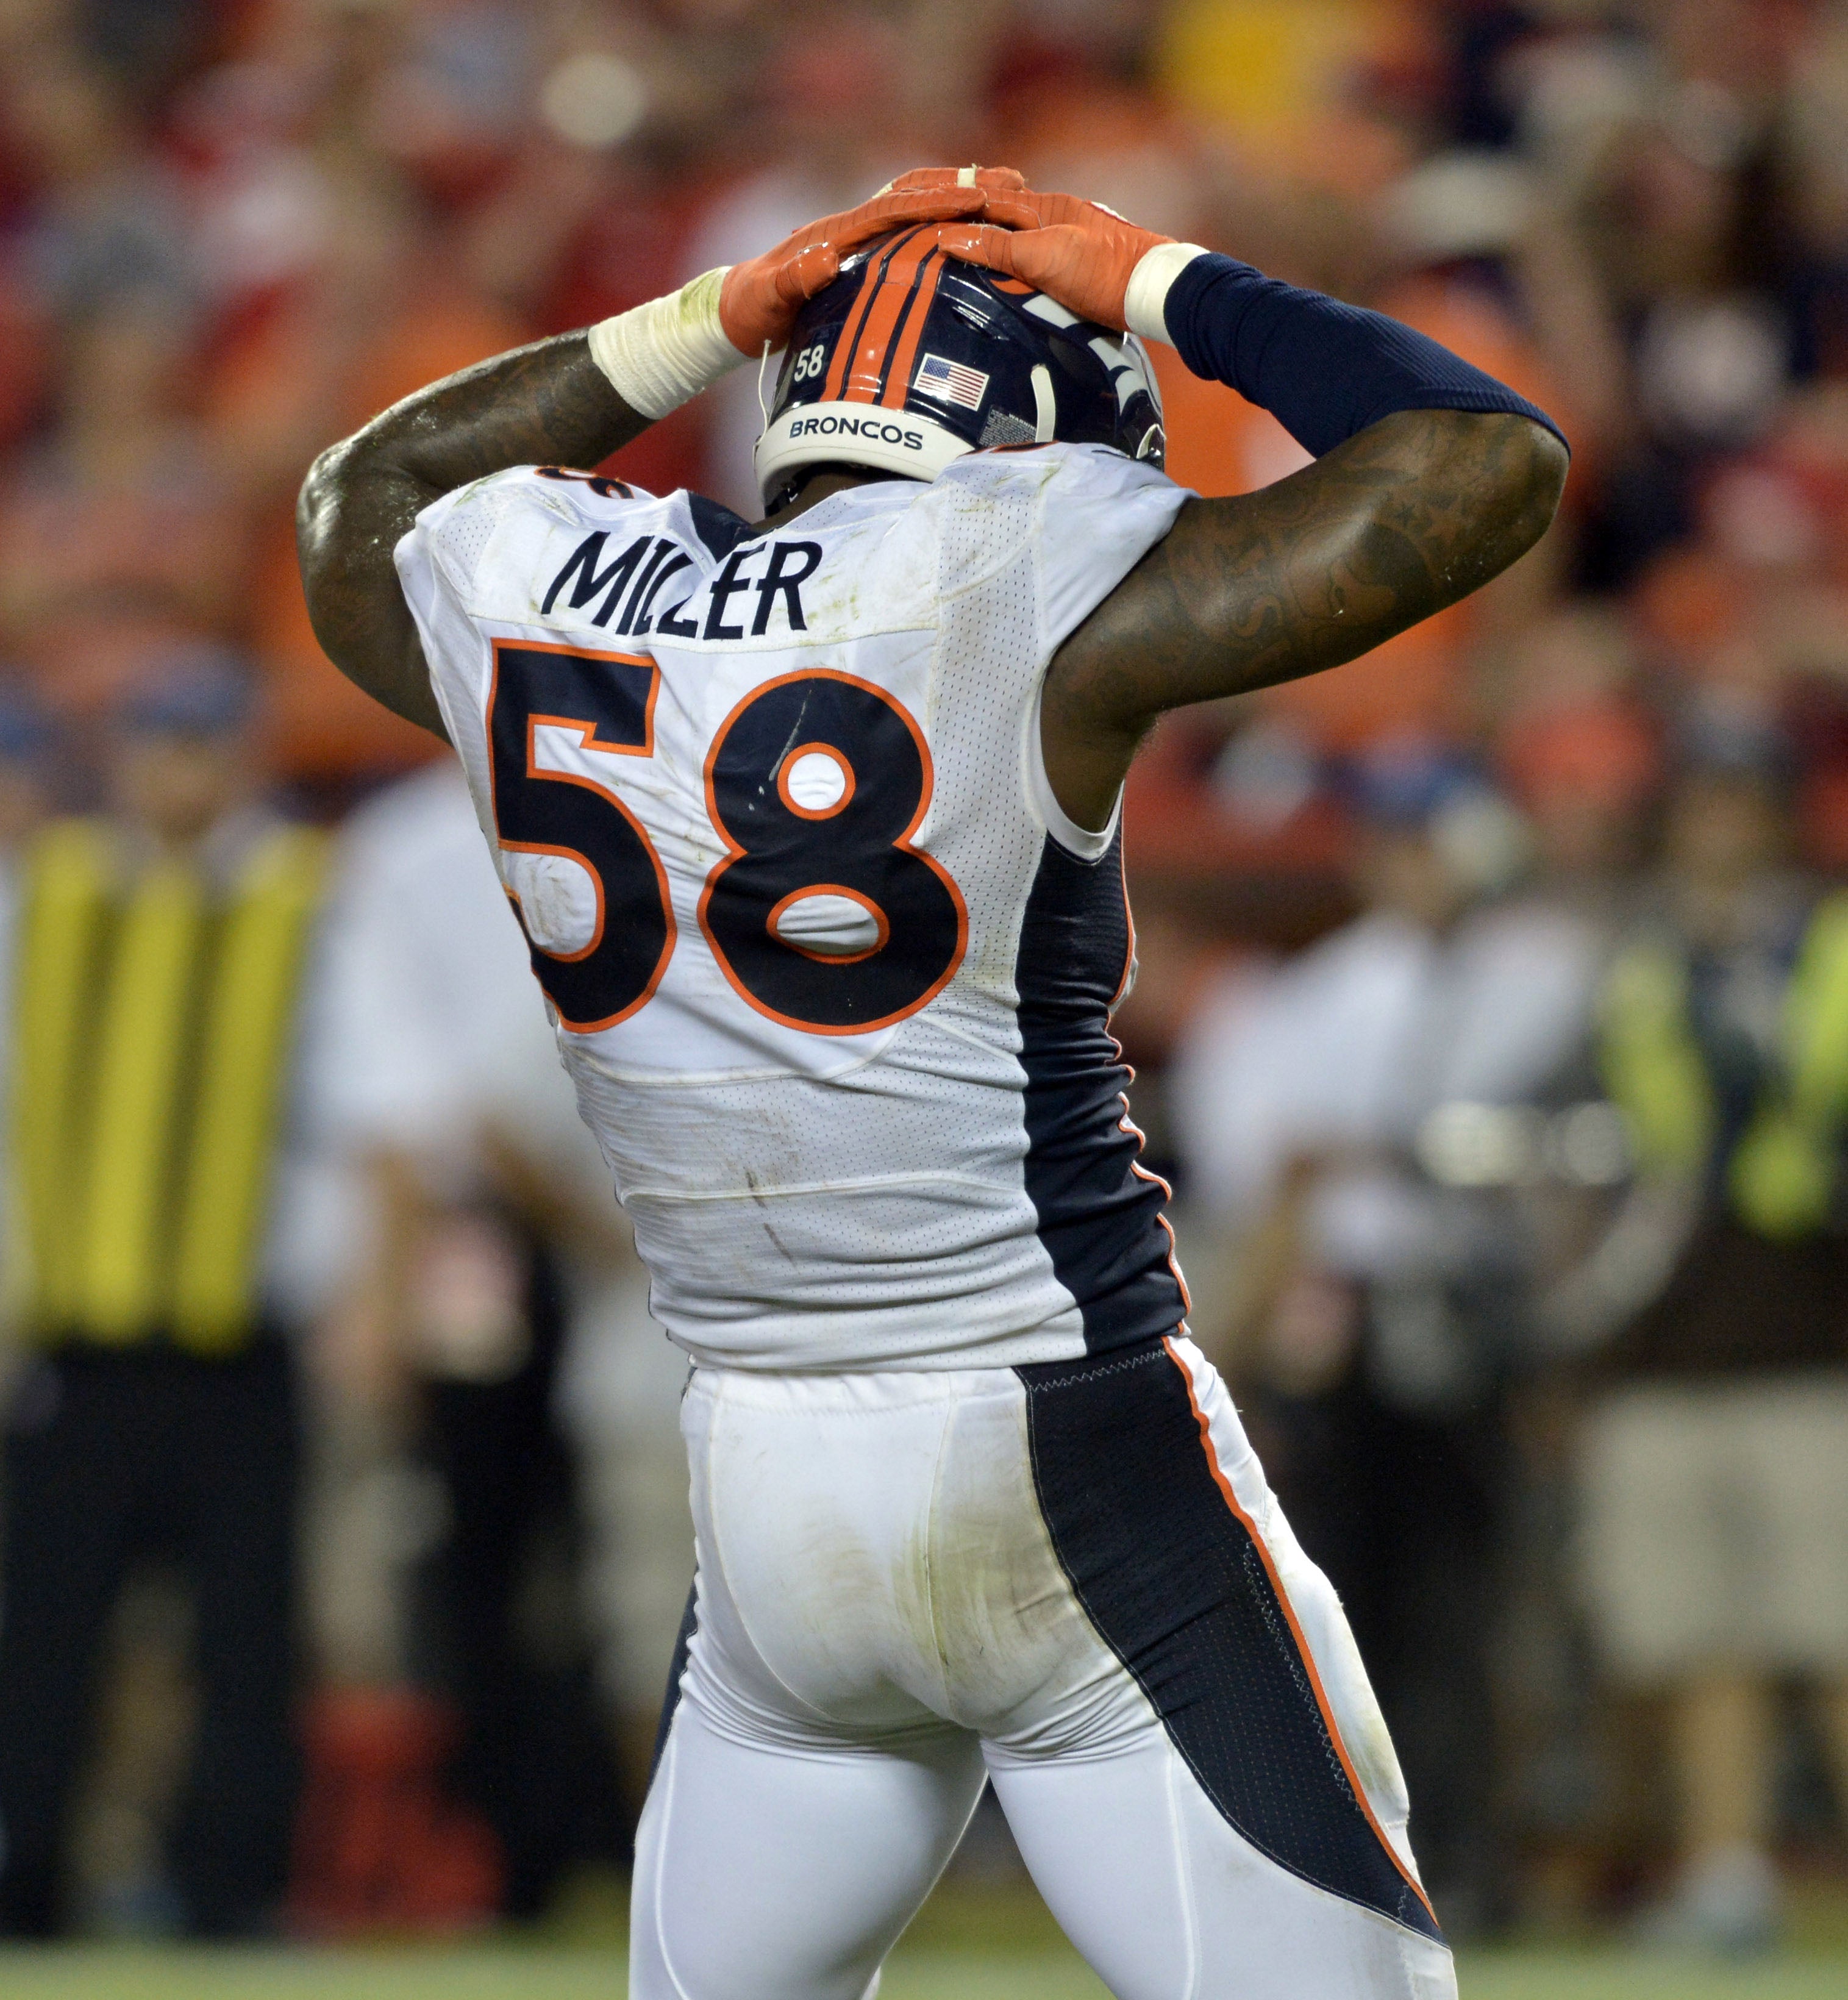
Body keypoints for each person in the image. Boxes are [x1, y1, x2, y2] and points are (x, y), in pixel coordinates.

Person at [297, 171, 1567, 1998]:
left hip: (763, 1500)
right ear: (1036, 421)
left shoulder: (560, 602)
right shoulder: (1019, 563)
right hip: (1066, 1458)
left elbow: (360, 510)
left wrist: (700, 317)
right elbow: (1484, 460)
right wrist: (1165, 281)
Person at [0, 651, 344, 1935]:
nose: (179, 768)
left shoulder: (308, 894)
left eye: (202, 741)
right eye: (157, 739)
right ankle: (29, 1877)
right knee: (46, 1630)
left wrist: (356, 1292)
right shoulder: (51, 892)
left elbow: (362, 1110)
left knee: (246, 1635)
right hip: (76, 1332)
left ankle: (232, 1888)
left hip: (239, 1331)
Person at [1582, 750, 1848, 1952]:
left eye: (1738, 799)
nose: (1718, 825)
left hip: (1816, 1339)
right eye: (1701, 800)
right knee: (1700, 1640)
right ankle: (1728, 1871)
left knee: (1833, 1633)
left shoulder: (1823, 951)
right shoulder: (1635, 964)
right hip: (1667, 1346)